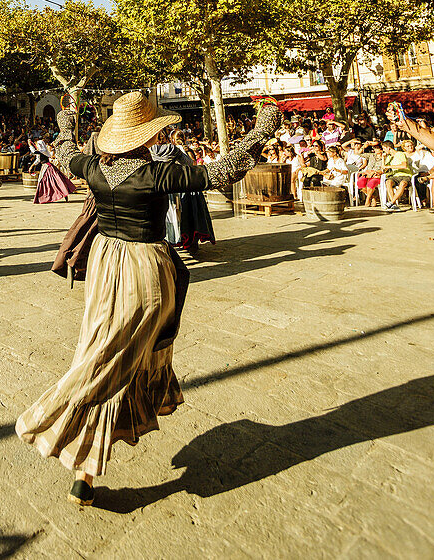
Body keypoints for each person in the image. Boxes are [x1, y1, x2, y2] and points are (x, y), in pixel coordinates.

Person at [16, 91, 281, 506]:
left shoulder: (94, 169)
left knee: (101, 349)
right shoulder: (157, 174)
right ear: (147, 136)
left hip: (105, 263)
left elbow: (65, 149)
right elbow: (221, 173)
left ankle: (84, 471)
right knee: (116, 360)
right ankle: (57, 413)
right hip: (145, 269)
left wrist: (67, 119)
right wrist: (260, 131)